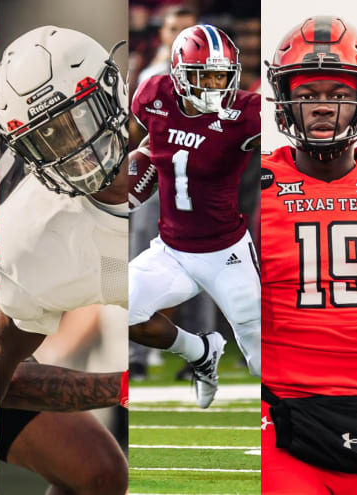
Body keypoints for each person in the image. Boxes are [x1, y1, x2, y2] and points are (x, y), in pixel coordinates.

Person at [261, 16, 357, 494]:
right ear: (285, 100)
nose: (320, 107)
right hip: (280, 412)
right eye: (308, 93)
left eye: (336, 93)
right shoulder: (255, 183)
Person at [0, 26, 128, 495]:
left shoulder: (184, 149)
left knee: (101, 473)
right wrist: (125, 389)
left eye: (78, 116)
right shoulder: (31, 240)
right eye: (48, 135)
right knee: (98, 470)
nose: (75, 148)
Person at [128, 24, 261, 408]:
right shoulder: (152, 96)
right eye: (203, 77)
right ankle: (201, 351)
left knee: (260, 363)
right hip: (171, 250)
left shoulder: (247, 115)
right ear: (179, 74)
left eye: (221, 76)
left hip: (226, 253)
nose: (214, 87)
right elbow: (151, 140)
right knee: (123, 312)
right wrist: (141, 163)